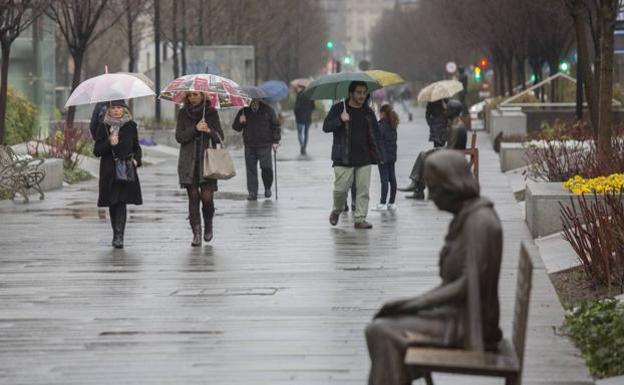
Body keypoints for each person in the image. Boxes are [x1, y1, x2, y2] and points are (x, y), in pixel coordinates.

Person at [365, 150, 503, 385]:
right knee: (380, 330)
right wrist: (409, 305)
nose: (430, 197)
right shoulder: (468, 217)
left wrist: (411, 304)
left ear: (452, 186)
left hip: (470, 325)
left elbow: (466, 286)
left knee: (382, 331)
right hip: (458, 314)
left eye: (433, 189)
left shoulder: (480, 223)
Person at [323, 81, 380, 229]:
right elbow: (326, 127)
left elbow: (376, 134)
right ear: (351, 93)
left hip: (364, 157)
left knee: (363, 191)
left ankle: (360, 219)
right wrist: (340, 120)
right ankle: (337, 210)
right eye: (359, 92)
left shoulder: (368, 111)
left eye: (364, 93)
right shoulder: (338, 109)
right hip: (343, 157)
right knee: (340, 190)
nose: (362, 96)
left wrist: (376, 118)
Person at [175, 91, 224, 246]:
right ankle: (196, 233)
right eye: (190, 95)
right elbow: (179, 137)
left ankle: (208, 223)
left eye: (196, 95)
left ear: (203, 96)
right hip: (188, 162)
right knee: (194, 197)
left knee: (207, 198)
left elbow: (220, 137)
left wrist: (208, 130)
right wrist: (195, 129)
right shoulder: (183, 113)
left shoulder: (211, 113)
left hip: (207, 162)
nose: (193, 98)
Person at [93, 100, 142, 249]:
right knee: (113, 203)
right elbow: (97, 151)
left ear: (124, 110)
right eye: (113, 108)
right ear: (109, 110)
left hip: (126, 169)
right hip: (109, 170)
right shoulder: (103, 126)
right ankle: (116, 233)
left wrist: (136, 160)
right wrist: (110, 143)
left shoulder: (131, 126)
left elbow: (136, 147)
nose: (116, 111)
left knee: (121, 202)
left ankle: (119, 236)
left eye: (119, 108)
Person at [400, 99, 467, 199]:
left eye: (447, 109)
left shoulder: (456, 127)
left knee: (424, 156)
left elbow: (450, 151)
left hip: (452, 158)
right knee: (423, 154)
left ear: (452, 111)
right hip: (453, 154)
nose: (445, 111)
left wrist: (438, 151)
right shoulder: (456, 123)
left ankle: (417, 188)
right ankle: (417, 187)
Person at [232, 98, 281, 200]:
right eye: (251, 100)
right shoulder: (244, 111)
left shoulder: (268, 110)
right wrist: (240, 122)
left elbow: (275, 126)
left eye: (255, 100)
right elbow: (236, 127)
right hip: (249, 145)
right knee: (251, 170)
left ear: (259, 100)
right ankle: (252, 192)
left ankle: (267, 187)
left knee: (266, 167)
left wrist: (275, 141)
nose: (253, 101)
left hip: (265, 144)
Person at [372, 104, 399, 211]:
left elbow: (376, 138)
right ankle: (391, 203)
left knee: (384, 180)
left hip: (383, 156)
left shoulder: (382, 125)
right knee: (392, 179)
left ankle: (382, 203)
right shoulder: (393, 124)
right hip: (392, 155)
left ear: (382, 113)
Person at [294, 86, 315, 155]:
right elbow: (313, 107)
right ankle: (304, 147)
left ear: (301, 88)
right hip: (308, 117)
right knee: (306, 133)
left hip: (299, 117)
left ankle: (302, 145)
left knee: (300, 133)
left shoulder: (299, 95)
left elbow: (296, 107)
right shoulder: (310, 95)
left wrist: (296, 114)